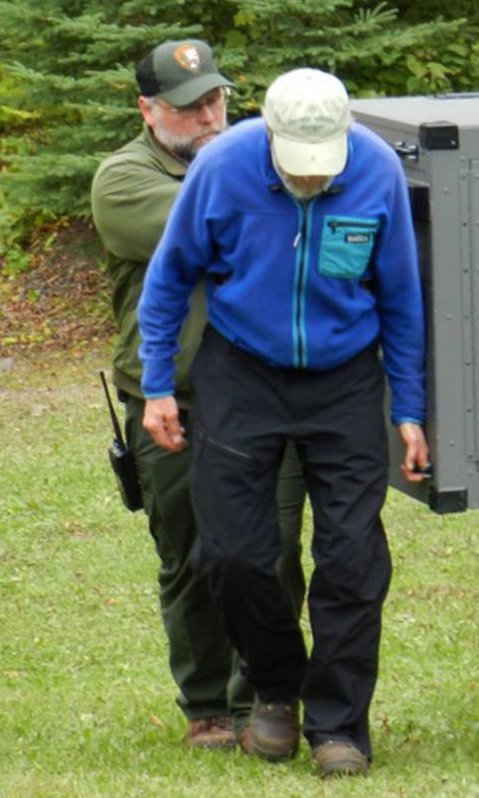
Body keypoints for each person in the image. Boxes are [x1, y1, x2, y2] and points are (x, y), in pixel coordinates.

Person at [137, 67, 429, 778]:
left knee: (354, 559)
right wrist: (155, 386)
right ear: (269, 135)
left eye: (321, 169)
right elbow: (170, 275)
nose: (310, 181)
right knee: (232, 553)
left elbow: (400, 294)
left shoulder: (376, 169)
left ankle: (340, 725)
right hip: (241, 373)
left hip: (346, 378)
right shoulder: (222, 166)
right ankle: (275, 688)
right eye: (298, 169)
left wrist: (411, 408)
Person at [90, 39, 307, 751]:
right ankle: (207, 705)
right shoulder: (122, 180)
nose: (210, 117)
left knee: (271, 551)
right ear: (148, 111)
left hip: (264, 392)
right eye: (189, 107)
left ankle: (265, 700)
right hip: (171, 399)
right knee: (192, 556)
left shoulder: (247, 162)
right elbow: (222, 231)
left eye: (216, 99)